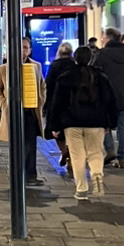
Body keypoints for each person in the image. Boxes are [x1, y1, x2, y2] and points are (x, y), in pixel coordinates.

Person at [49, 45, 117, 199]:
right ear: (91, 59)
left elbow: (57, 103)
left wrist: (54, 125)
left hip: (72, 123)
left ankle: (81, 189)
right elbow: (110, 100)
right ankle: (97, 176)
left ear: (75, 58)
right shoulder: (101, 77)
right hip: (96, 123)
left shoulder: (65, 77)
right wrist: (109, 122)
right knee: (95, 153)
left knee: (77, 156)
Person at [0, 36, 47, 185]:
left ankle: (30, 176)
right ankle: (17, 175)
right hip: (13, 113)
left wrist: (40, 100)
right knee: (17, 145)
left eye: (26, 47)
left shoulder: (36, 66)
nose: (23, 50)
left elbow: (42, 85)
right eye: (20, 47)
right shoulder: (3, 69)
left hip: (30, 112)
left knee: (30, 144)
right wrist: (4, 104)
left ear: (30, 50)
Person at [93, 27, 124, 168]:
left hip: (106, 96)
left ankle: (110, 150)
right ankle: (123, 157)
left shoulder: (102, 54)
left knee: (104, 124)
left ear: (107, 38)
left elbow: (94, 73)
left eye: (103, 37)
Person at [43, 41, 75, 169]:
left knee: (56, 130)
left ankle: (63, 151)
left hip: (55, 101)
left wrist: (46, 104)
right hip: (71, 102)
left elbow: (48, 84)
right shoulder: (74, 65)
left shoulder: (55, 65)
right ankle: (70, 154)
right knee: (71, 131)